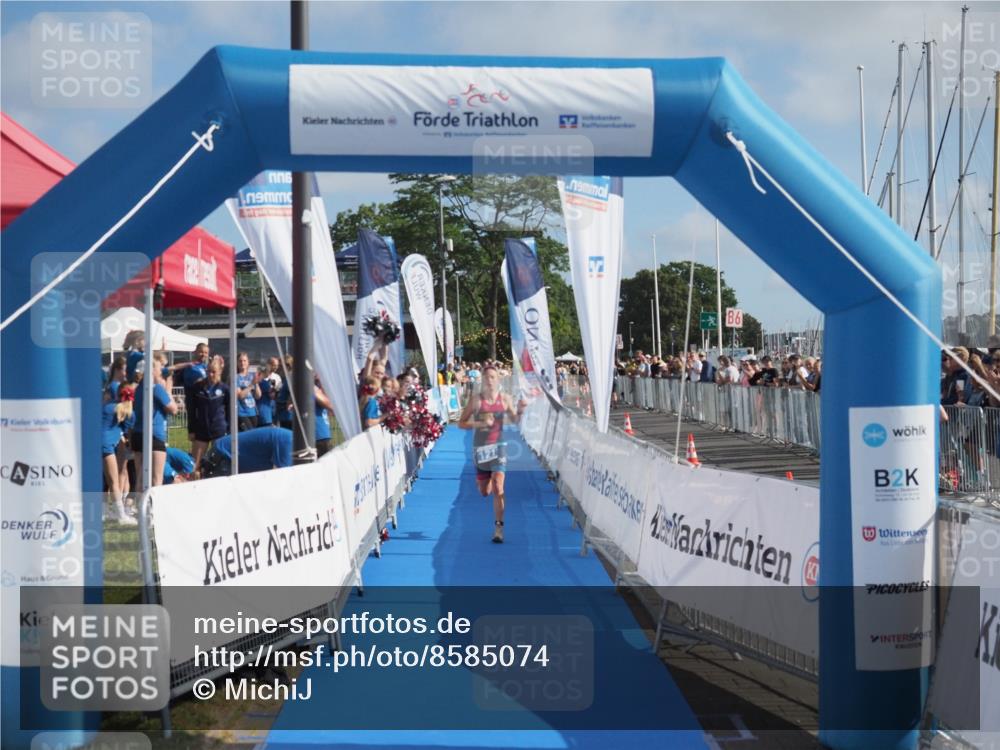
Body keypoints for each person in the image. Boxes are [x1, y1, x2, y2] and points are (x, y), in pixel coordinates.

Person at [458, 364, 525, 544]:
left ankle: (498, 528)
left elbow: (515, 420)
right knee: (485, 491)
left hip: (499, 447)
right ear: (482, 379)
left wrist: (520, 410)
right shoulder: (476, 400)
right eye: (486, 377)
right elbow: (461, 423)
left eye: (493, 377)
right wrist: (479, 424)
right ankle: (481, 482)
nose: (489, 380)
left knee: (498, 487)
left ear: (498, 379)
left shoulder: (504, 399)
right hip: (480, 448)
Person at [131, 351, 179, 492]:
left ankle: (139, 509)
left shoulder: (139, 389)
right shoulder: (156, 388)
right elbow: (173, 409)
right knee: (156, 479)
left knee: (140, 477)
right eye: (159, 367)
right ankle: (153, 510)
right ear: (152, 370)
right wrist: (169, 388)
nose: (161, 370)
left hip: (138, 434)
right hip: (155, 435)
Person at [101, 380, 136, 525]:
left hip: (98, 445)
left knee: (104, 481)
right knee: (114, 482)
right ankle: (121, 516)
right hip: (106, 446)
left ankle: (103, 512)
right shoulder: (128, 412)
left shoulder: (108, 406)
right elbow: (129, 432)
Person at [200, 426, 294, 477]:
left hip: (228, 455)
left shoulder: (289, 438)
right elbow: (280, 478)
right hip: (224, 456)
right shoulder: (288, 441)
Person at [190, 360, 230, 471]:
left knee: (219, 463)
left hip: (219, 430)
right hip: (201, 429)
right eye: (208, 371)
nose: (210, 374)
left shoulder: (224, 389)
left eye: (213, 372)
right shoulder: (197, 387)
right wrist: (191, 430)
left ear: (220, 372)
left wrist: (228, 428)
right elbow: (192, 410)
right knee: (194, 464)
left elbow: (230, 410)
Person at [235, 352, 260, 431]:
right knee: (247, 435)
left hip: (253, 412)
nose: (242, 363)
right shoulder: (236, 377)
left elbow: (258, 396)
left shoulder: (252, 376)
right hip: (242, 413)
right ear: (237, 363)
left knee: (253, 437)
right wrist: (251, 384)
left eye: (244, 361)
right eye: (240, 361)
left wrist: (256, 383)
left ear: (248, 362)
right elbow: (240, 396)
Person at [314, 378, 335, 457]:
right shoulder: (312, 389)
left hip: (322, 434)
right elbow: (331, 407)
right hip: (319, 435)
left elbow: (330, 411)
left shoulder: (317, 390)